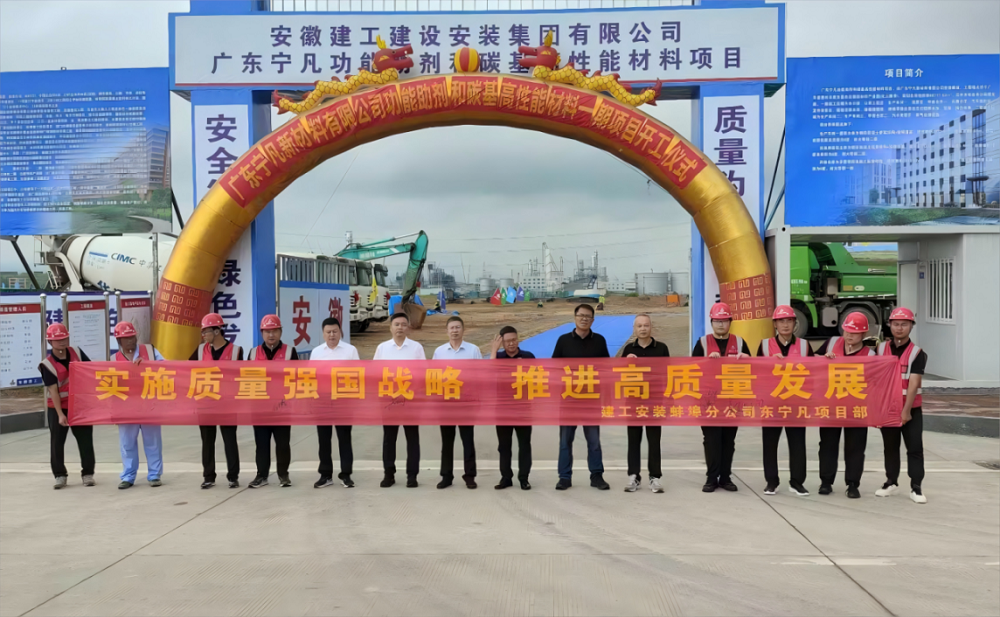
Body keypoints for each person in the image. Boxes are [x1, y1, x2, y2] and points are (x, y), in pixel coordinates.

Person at [692, 302, 751, 493]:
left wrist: (747, 360)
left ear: (730, 322)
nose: (720, 324)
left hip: (732, 400)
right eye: (717, 321)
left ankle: (725, 477)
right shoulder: (702, 343)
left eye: (724, 321)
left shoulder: (740, 342)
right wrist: (706, 361)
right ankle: (711, 478)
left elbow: (753, 370)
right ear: (711, 322)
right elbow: (691, 370)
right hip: (709, 401)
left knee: (728, 440)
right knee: (711, 440)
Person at [816, 311, 874, 499]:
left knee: (855, 447)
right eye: (847, 331)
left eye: (854, 333)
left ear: (863, 334)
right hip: (831, 405)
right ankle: (826, 482)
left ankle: (853, 484)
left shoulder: (870, 354)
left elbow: (875, 382)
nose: (849, 335)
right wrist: (823, 359)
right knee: (827, 445)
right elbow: (811, 362)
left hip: (856, 408)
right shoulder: (831, 343)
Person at [552, 303, 610, 491]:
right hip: (568, 400)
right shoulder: (563, 340)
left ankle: (596, 475)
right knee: (565, 441)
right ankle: (564, 477)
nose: (584, 319)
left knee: (594, 441)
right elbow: (554, 368)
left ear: (593, 320)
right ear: (575, 317)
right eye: (581, 315)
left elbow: (606, 369)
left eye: (588, 316)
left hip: (591, 400)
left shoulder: (599, 341)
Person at [756, 305, 812, 497]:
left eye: (789, 321)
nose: (785, 325)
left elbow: (815, 372)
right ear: (775, 324)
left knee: (798, 444)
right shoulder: (765, 346)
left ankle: (797, 482)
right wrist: (770, 362)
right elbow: (757, 372)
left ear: (795, 323)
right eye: (781, 321)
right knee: (769, 444)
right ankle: (771, 482)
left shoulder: (804, 346)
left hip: (796, 403)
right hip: (772, 403)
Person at [875, 307, 928, 504]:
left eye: (904, 324)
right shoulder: (880, 349)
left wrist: (906, 411)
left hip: (910, 409)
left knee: (914, 448)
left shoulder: (917, 353)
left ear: (911, 326)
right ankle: (891, 482)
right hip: (888, 409)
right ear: (889, 325)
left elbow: (913, 384)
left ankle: (916, 486)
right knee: (890, 447)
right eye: (896, 324)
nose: (899, 328)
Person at [38, 323, 95, 490]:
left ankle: (88, 474)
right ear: (50, 342)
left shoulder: (77, 353)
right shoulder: (47, 365)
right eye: (57, 339)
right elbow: (53, 391)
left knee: (85, 440)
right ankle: (60, 475)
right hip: (58, 407)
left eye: (64, 338)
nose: (62, 341)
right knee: (57, 442)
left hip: (80, 406)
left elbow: (91, 371)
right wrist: (60, 415)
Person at [190, 312, 243, 489]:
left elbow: (241, 376)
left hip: (227, 404)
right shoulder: (200, 351)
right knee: (207, 441)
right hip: (205, 404)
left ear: (217, 331)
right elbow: (184, 369)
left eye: (206, 331)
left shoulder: (236, 351)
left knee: (230, 440)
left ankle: (233, 476)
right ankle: (208, 476)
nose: (203, 335)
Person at [374, 312, 426, 488]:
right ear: (391, 327)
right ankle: (389, 474)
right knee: (389, 439)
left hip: (410, 400)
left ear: (408, 327)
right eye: (396, 324)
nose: (400, 328)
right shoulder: (382, 348)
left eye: (404, 324)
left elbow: (423, 373)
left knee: (412, 439)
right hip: (389, 401)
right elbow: (375, 373)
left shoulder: (416, 348)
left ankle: (412, 475)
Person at [246, 314, 297, 489]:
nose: (271, 335)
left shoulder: (290, 352)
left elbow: (296, 378)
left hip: (282, 407)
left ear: (281, 332)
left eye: (274, 331)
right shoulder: (253, 353)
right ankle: (262, 475)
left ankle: (283, 474)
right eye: (267, 331)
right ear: (261, 333)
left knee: (282, 444)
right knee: (261, 444)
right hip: (260, 408)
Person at [112, 321, 165, 489]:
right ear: (119, 340)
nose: (130, 340)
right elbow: (110, 385)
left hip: (149, 404)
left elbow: (167, 368)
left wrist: (149, 365)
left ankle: (154, 474)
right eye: (126, 338)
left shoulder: (150, 351)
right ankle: (128, 476)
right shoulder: (113, 359)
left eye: (132, 337)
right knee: (127, 443)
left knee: (153, 441)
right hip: (126, 408)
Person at [620, 314, 669, 493]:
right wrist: (626, 363)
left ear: (651, 327)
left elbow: (668, 373)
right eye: (639, 326)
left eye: (646, 325)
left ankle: (655, 477)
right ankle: (634, 476)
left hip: (654, 401)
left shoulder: (661, 348)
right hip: (633, 401)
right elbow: (618, 375)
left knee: (654, 440)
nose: (642, 329)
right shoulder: (628, 349)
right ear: (634, 329)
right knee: (633, 440)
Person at [310, 317, 360, 489]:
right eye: (328, 332)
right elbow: (311, 377)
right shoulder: (316, 352)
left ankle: (346, 474)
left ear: (340, 332)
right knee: (324, 439)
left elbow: (358, 375)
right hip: (322, 402)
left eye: (335, 331)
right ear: (323, 334)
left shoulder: (350, 351)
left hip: (344, 402)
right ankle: (325, 474)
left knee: (344, 438)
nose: (332, 335)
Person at [432, 316, 482, 489]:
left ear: (463, 329)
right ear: (447, 331)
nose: (455, 330)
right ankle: (446, 476)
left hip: (466, 403)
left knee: (467, 440)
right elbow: (434, 377)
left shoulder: (473, 350)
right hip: (446, 403)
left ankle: (470, 476)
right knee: (447, 442)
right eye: (452, 328)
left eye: (458, 327)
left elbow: (480, 375)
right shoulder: (439, 352)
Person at [489, 326, 535, 490]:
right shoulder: (498, 357)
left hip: (523, 409)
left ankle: (524, 478)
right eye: (507, 341)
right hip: (502, 409)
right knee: (504, 446)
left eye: (514, 340)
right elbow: (489, 375)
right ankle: (506, 477)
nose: (511, 343)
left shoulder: (528, 357)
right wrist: (493, 351)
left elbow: (537, 380)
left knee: (524, 445)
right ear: (502, 343)